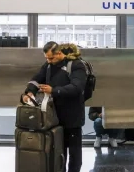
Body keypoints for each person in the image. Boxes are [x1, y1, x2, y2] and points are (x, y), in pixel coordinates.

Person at [22, 42, 87, 172]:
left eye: (51, 58)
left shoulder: (76, 65)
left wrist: (54, 90)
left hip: (72, 117)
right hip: (54, 118)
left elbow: (77, 88)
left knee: (74, 155)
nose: (49, 61)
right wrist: (29, 92)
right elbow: (37, 78)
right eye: (46, 58)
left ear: (59, 53)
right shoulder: (49, 65)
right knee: (58, 153)